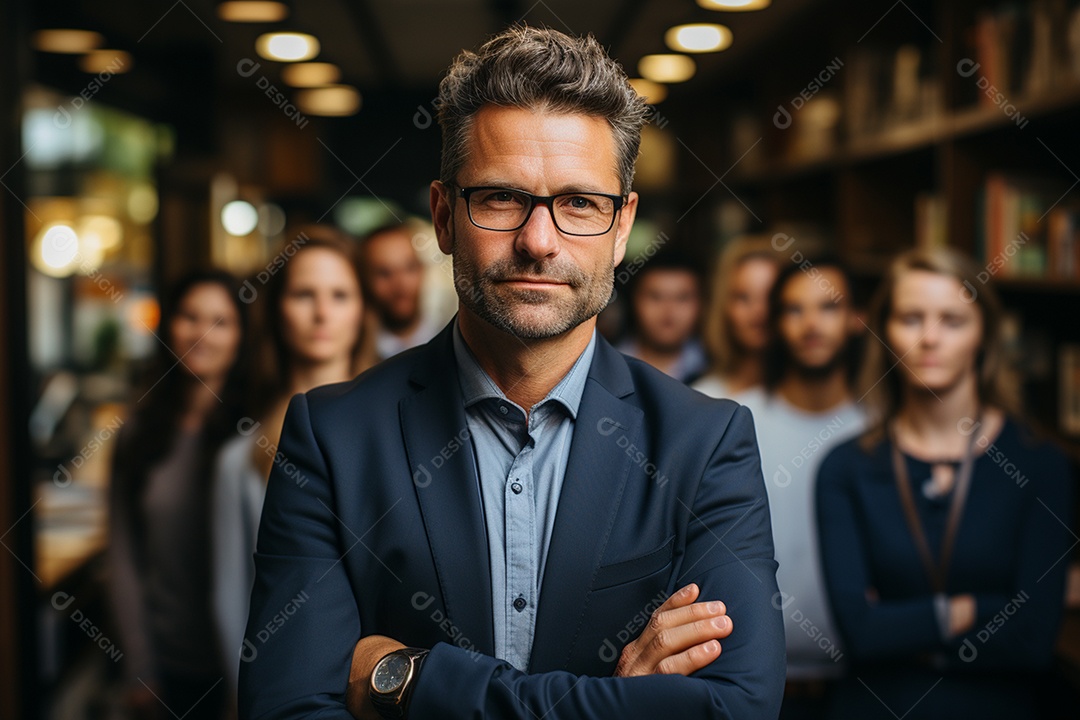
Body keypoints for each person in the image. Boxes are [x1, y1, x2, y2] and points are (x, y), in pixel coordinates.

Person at [239, 25, 784, 720]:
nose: (538, 240)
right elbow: (285, 710)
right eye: (500, 198)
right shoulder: (330, 436)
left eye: (579, 204)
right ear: (442, 216)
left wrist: (413, 681)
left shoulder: (706, 443)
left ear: (622, 229)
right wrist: (621, 703)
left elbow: (734, 711)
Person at [816, 247, 1075, 719]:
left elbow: (1035, 639)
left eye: (952, 321)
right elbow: (860, 632)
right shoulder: (846, 467)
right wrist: (980, 609)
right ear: (885, 332)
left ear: (984, 335)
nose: (929, 338)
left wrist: (904, 627)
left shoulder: (1041, 464)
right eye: (911, 318)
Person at [211, 227, 376, 708]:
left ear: (363, 308)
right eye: (305, 294)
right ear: (277, 310)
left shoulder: (415, 433)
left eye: (340, 295)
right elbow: (230, 605)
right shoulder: (237, 459)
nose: (323, 313)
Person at [699, 254, 866, 717]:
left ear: (858, 319)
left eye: (829, 307)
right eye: (794, 309)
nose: (812, 324)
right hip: (743, 685)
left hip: (863, 684)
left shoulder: (877, 431)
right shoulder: (728, 418)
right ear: (774, 323)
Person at [109, 269, 248, 720]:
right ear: (168, 325)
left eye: (220, 321)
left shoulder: (257, 436)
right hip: (164, 668)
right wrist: (140, 665)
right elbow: (123, 554)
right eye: (189, 316)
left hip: (244, 667)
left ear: (243, 335)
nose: (201, 334)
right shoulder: (138, 431)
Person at [693, 237, 781, 399]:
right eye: (743, 297)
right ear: (722, 306)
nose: (759, 311)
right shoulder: (704, 397)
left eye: (770, 296)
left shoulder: (816, 398)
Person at [616, 251, 707, 383]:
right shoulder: (604, 366)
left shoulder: (717, 369)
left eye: (682, 298)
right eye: (656, 297)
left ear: (702, 303)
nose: (669, 310)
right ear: (634, 301)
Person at [359, 222, 443, 360]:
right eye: (384, 273)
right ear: (364, 280)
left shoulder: (454, 341)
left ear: (422, 271)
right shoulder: (356, 360)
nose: (401, 284)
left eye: (409, 268)